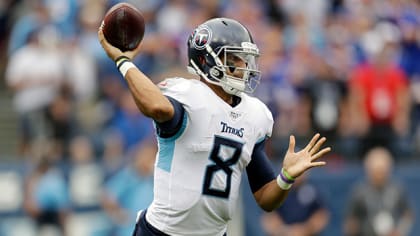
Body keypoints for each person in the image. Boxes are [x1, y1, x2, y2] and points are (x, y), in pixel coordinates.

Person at [98, 17, 331, 236]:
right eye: (235, 59)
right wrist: (124, 61)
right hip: (163, 232)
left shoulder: (255, 115)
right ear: (206, 60)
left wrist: (286, 176)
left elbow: (265, 199)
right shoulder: (188, 96)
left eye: (245, 59)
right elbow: (157, 108)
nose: (244, 66)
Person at [344, 146, 413, 236]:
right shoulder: (360, 191)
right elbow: (351, 219)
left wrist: (399, 231)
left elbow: (407, 215)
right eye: (376, 171)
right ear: (369, 170)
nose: (379, 176)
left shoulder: (397, 188)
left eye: (382, 171)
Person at [261, 172, 330, 236]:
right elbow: (269, 217)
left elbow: (321, 215)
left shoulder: (313, 190)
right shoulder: (278, 190)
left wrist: (306, 229)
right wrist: (284, 231)